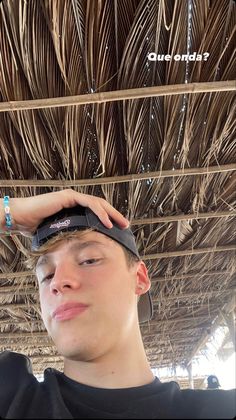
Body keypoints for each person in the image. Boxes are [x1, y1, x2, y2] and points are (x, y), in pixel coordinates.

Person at [0, 189, 235, 419]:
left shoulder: (220, 410)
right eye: (47, 274)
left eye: (89, 260)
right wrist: (9, 212)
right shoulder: (11, 396)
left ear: (140, 278)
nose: (58, 282)